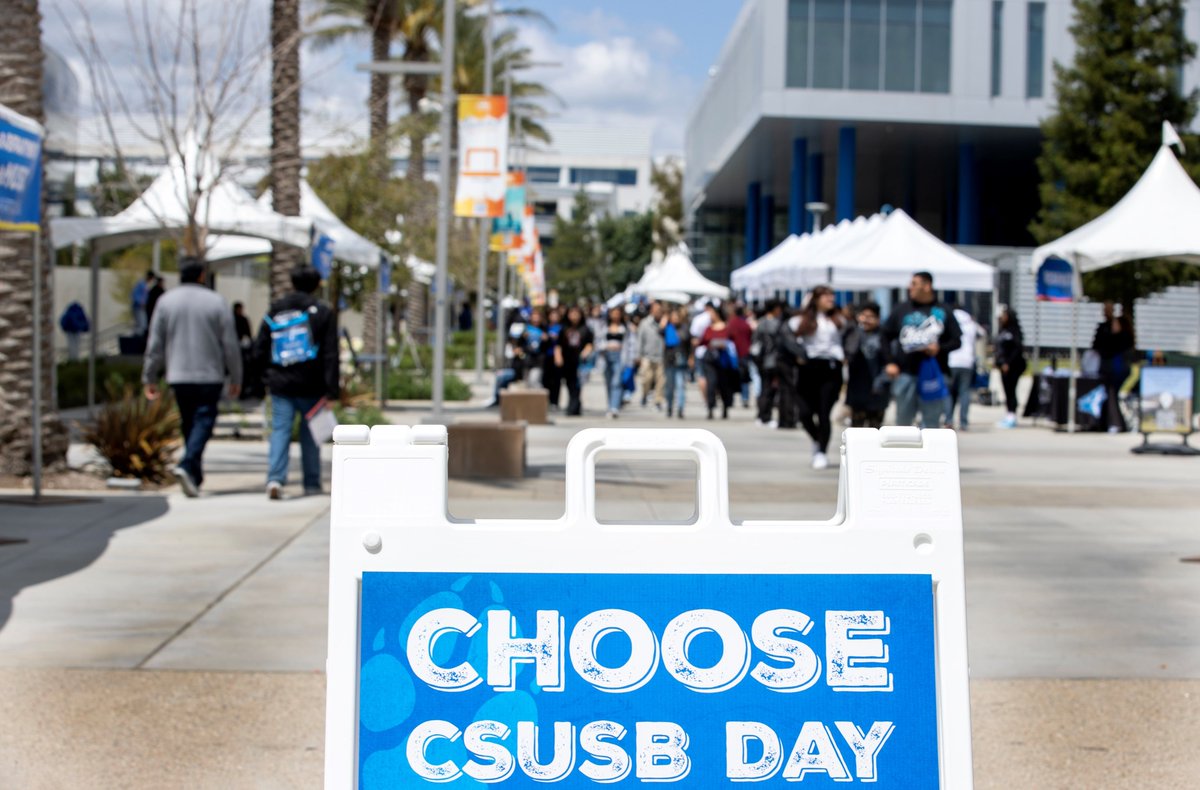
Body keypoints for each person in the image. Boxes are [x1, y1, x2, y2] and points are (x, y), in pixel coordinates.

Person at [142, 258, 241, 497]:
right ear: (201, 275)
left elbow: (155, 344)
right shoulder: (216, 301)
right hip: (209, 375)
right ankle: (188, 465)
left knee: (189, 423)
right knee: (203, 421)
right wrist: (237, 375)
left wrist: (149, 376)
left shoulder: (166, 302)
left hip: (178, 374)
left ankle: (194, 476)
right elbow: (230, 345)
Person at [253, 266, 340, 499]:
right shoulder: (322, 312)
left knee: (280, 430)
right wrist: (332, 390)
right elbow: (331, 353)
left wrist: (264, 378)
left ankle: (275, 478)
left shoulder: (277, 309)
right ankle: (311, 482)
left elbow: (260, 347)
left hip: (281, 383)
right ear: (316, 284)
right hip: (312, 385)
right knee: (311, 434)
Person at [882, 271, 962, 428]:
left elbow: (957, 341)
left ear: (927, 286)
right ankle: (903, 453)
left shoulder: (943, 310)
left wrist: (939, 348)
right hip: (906, 373)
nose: (909, 287)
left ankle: (929, 453)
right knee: (903, 422)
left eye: (914, 284)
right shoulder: (902, 309)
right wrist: (889, 362)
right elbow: (884, 336)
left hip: (934, 373)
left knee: (931, 423)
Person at [795, 286, 846, 470]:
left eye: (832, 296)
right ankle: (817, 440)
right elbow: (788, 337)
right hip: (808, 367)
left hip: (831, 367)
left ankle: (821, 451)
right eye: (826, 296)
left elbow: (849, 338)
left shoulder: (839, 319)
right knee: (805, 413)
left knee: (824, 413)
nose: (830, 299)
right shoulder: (802, 319)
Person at [843, 302, 890, 429]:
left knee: (875, 430)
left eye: (871, 317)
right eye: (864, 316)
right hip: (858, 388)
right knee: (857, 429)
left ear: (878, 319)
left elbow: (890, 359)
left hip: (878, 388)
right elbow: (849, 352)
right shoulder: (853, 333)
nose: (867, 320)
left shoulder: (884, 334)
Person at [1092, 301, 1134, 433]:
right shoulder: (1104, 329)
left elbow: (1110, 349)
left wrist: (1111, 336)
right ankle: (1107, 422)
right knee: (1108, 396)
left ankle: (1117, 423)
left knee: (1112, 396)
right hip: (1111, 368)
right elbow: (1097, 345)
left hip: (1117, 369)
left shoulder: (1122, 337)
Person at [945, 307, 984, 431]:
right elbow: (982, 333)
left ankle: (948, 420)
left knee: (950, 393)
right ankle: (963, 422)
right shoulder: (971, 324)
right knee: (964, 392)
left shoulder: (949, 321)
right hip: (967, 361)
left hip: (951, 361)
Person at [699, 302, 739, 420]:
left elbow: (732, 341)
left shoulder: (727, 327)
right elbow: (703, 341)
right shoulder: (708, 328)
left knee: (724, 385)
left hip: (723, 360)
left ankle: (725, 407)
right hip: (710, 359)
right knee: (711, 384)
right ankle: (710, 407)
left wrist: (723, 344)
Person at [554, 305, 594, 416]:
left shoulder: (585, 329)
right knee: (568, 383)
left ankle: (573, 406)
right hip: (567, 360)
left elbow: (590, 343)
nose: (574, 316)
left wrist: (586, 352)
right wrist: (558, 357)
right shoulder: (564, 328)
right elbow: (558, 345)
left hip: (580, 362)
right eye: (572, 313)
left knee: (577, 384)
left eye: (577, 314)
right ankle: (575, 404)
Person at [753, 300, 785, 427]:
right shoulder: (777, 324)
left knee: (764, 388)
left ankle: (761, 415)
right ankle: (766, 415)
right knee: (771, 389)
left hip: (761, 360)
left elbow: (755, 341)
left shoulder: (760, 322)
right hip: (773, 360)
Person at [994, 305, 1026, 429]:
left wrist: (1008, 362)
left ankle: (1012, 414)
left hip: (1013, 366)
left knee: (1011, 390)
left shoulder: (1014, 331)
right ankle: (1008, 414)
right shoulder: (1002, 330)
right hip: (1003, 366)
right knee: (1006, 390)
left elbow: (1017, 349)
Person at [600, 306, 629, 418]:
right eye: (614, 313)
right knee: (608, 382)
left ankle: (614, 407)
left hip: (619, 357)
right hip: (606, 356)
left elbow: (629, 344)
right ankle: (609, 405)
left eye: (618, 313)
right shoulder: (604, 327)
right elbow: (598, 340)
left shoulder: (625, 328)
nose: (616, 316)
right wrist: (606, 346)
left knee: (616, 382)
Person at [637, 301, 666, 410]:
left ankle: (658, 400)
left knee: (661, 381)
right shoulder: (644, 323)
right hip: (647, 356)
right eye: (656, 310)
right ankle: (645, 394)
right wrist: (638, 355)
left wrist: (663, 326)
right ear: (651, 311)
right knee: (646, 379)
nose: (658, 312)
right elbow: (640, 340)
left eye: (660, 310)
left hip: (661, 356)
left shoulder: (665, 323)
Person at [662, 305, 690, 419]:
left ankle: (680, 408)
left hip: (681, 360)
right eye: (673, 317)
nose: (675, 319)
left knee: (680, 385)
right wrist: (664, 320)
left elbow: (688, 343)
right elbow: (659, 331)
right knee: (669, 386)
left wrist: (690, 358)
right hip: (669, 360)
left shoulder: (684, 328)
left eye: (676, 317)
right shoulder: (666, 329)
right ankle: (669, 406)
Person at [728, 304, 753, 408]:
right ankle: (745, 398)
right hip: (745, 353)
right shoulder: (746, 324)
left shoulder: (731, 323)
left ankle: (731, 399)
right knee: (744, 378)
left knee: (732, 377)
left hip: (733, 354)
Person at [543, 307, 563, 409]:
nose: (554, 317)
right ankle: (546, 400)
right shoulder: (545, 327)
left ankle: (555, 401)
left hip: (558, 357)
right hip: (546, 356)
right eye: (552, 315)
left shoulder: (562, 328)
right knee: (546, 380)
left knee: (556, 380)